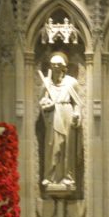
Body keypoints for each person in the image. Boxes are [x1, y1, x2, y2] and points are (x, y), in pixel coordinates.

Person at [38, 52, 83, 187]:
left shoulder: (71, 82)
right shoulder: (47, 83)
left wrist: (77, 113)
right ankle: (50, 176)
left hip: (66, 113)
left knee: (67, 146)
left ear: (64, 67)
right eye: (53, 65)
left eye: (58, 65)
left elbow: (77, 103)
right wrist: (46, 105)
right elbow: (42, 101)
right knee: (52, 145)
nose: (56, 68)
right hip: (52, 116)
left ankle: (68, 176)